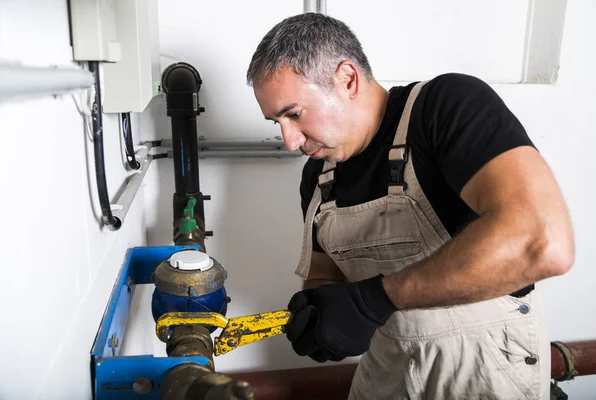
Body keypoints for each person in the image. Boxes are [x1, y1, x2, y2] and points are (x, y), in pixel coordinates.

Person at [246, 12, 574, 400]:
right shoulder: (318, 176)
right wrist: (321, 314)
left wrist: (378, 298)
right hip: (387, 374)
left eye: (294, 114)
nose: (289, 141)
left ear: (347, 79)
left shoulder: (444, 109)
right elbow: (325, 272)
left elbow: (541, 240)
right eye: (276, 122)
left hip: (484, 373)